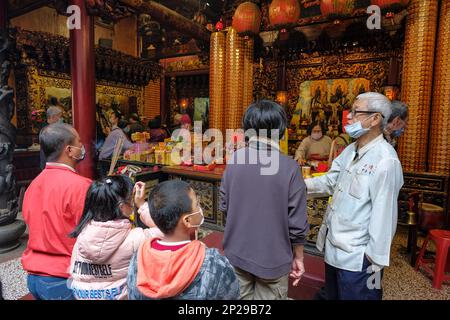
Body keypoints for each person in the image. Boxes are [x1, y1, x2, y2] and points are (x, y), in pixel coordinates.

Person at [305, 92, 404, 300]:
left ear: (375, 119)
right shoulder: (350, 150)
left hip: (360, 259)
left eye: (355, 112)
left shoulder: (385, 160)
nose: (348, 117)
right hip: (334, 250)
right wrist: (295, 186)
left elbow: (385, 217)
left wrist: (372, 260)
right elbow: (329, 181)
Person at [220, 100, 309, 300]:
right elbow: (297, 223)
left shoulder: (235, 160)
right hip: (273, 259)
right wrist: (299, 257)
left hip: (236, 252)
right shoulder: (289, 168)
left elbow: (224, 206)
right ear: (281, 131)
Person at [127, 180, 239, 300]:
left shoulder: (138, 258)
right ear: (187, 220)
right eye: (197, 204)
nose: (200, 208)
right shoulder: (213, 264)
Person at [21, 123, 92, 300]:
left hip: (34, 276)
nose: (82, 147)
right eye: (79, 142)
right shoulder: (81, 186)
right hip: (63, 277)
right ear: (69, 150)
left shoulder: (33, 185)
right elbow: (92, 236)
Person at [69, 177, 162, 300]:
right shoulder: (136, 238)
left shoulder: (82, 236)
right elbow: (165, 230)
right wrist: (142, 205)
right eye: (131, 199)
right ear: (122, 206)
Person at [39, 106, 65, 170]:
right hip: (52, 165)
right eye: (60, 116)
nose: (62, 119)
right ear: (53, 117)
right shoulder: (48, 130)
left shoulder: (51, 128)